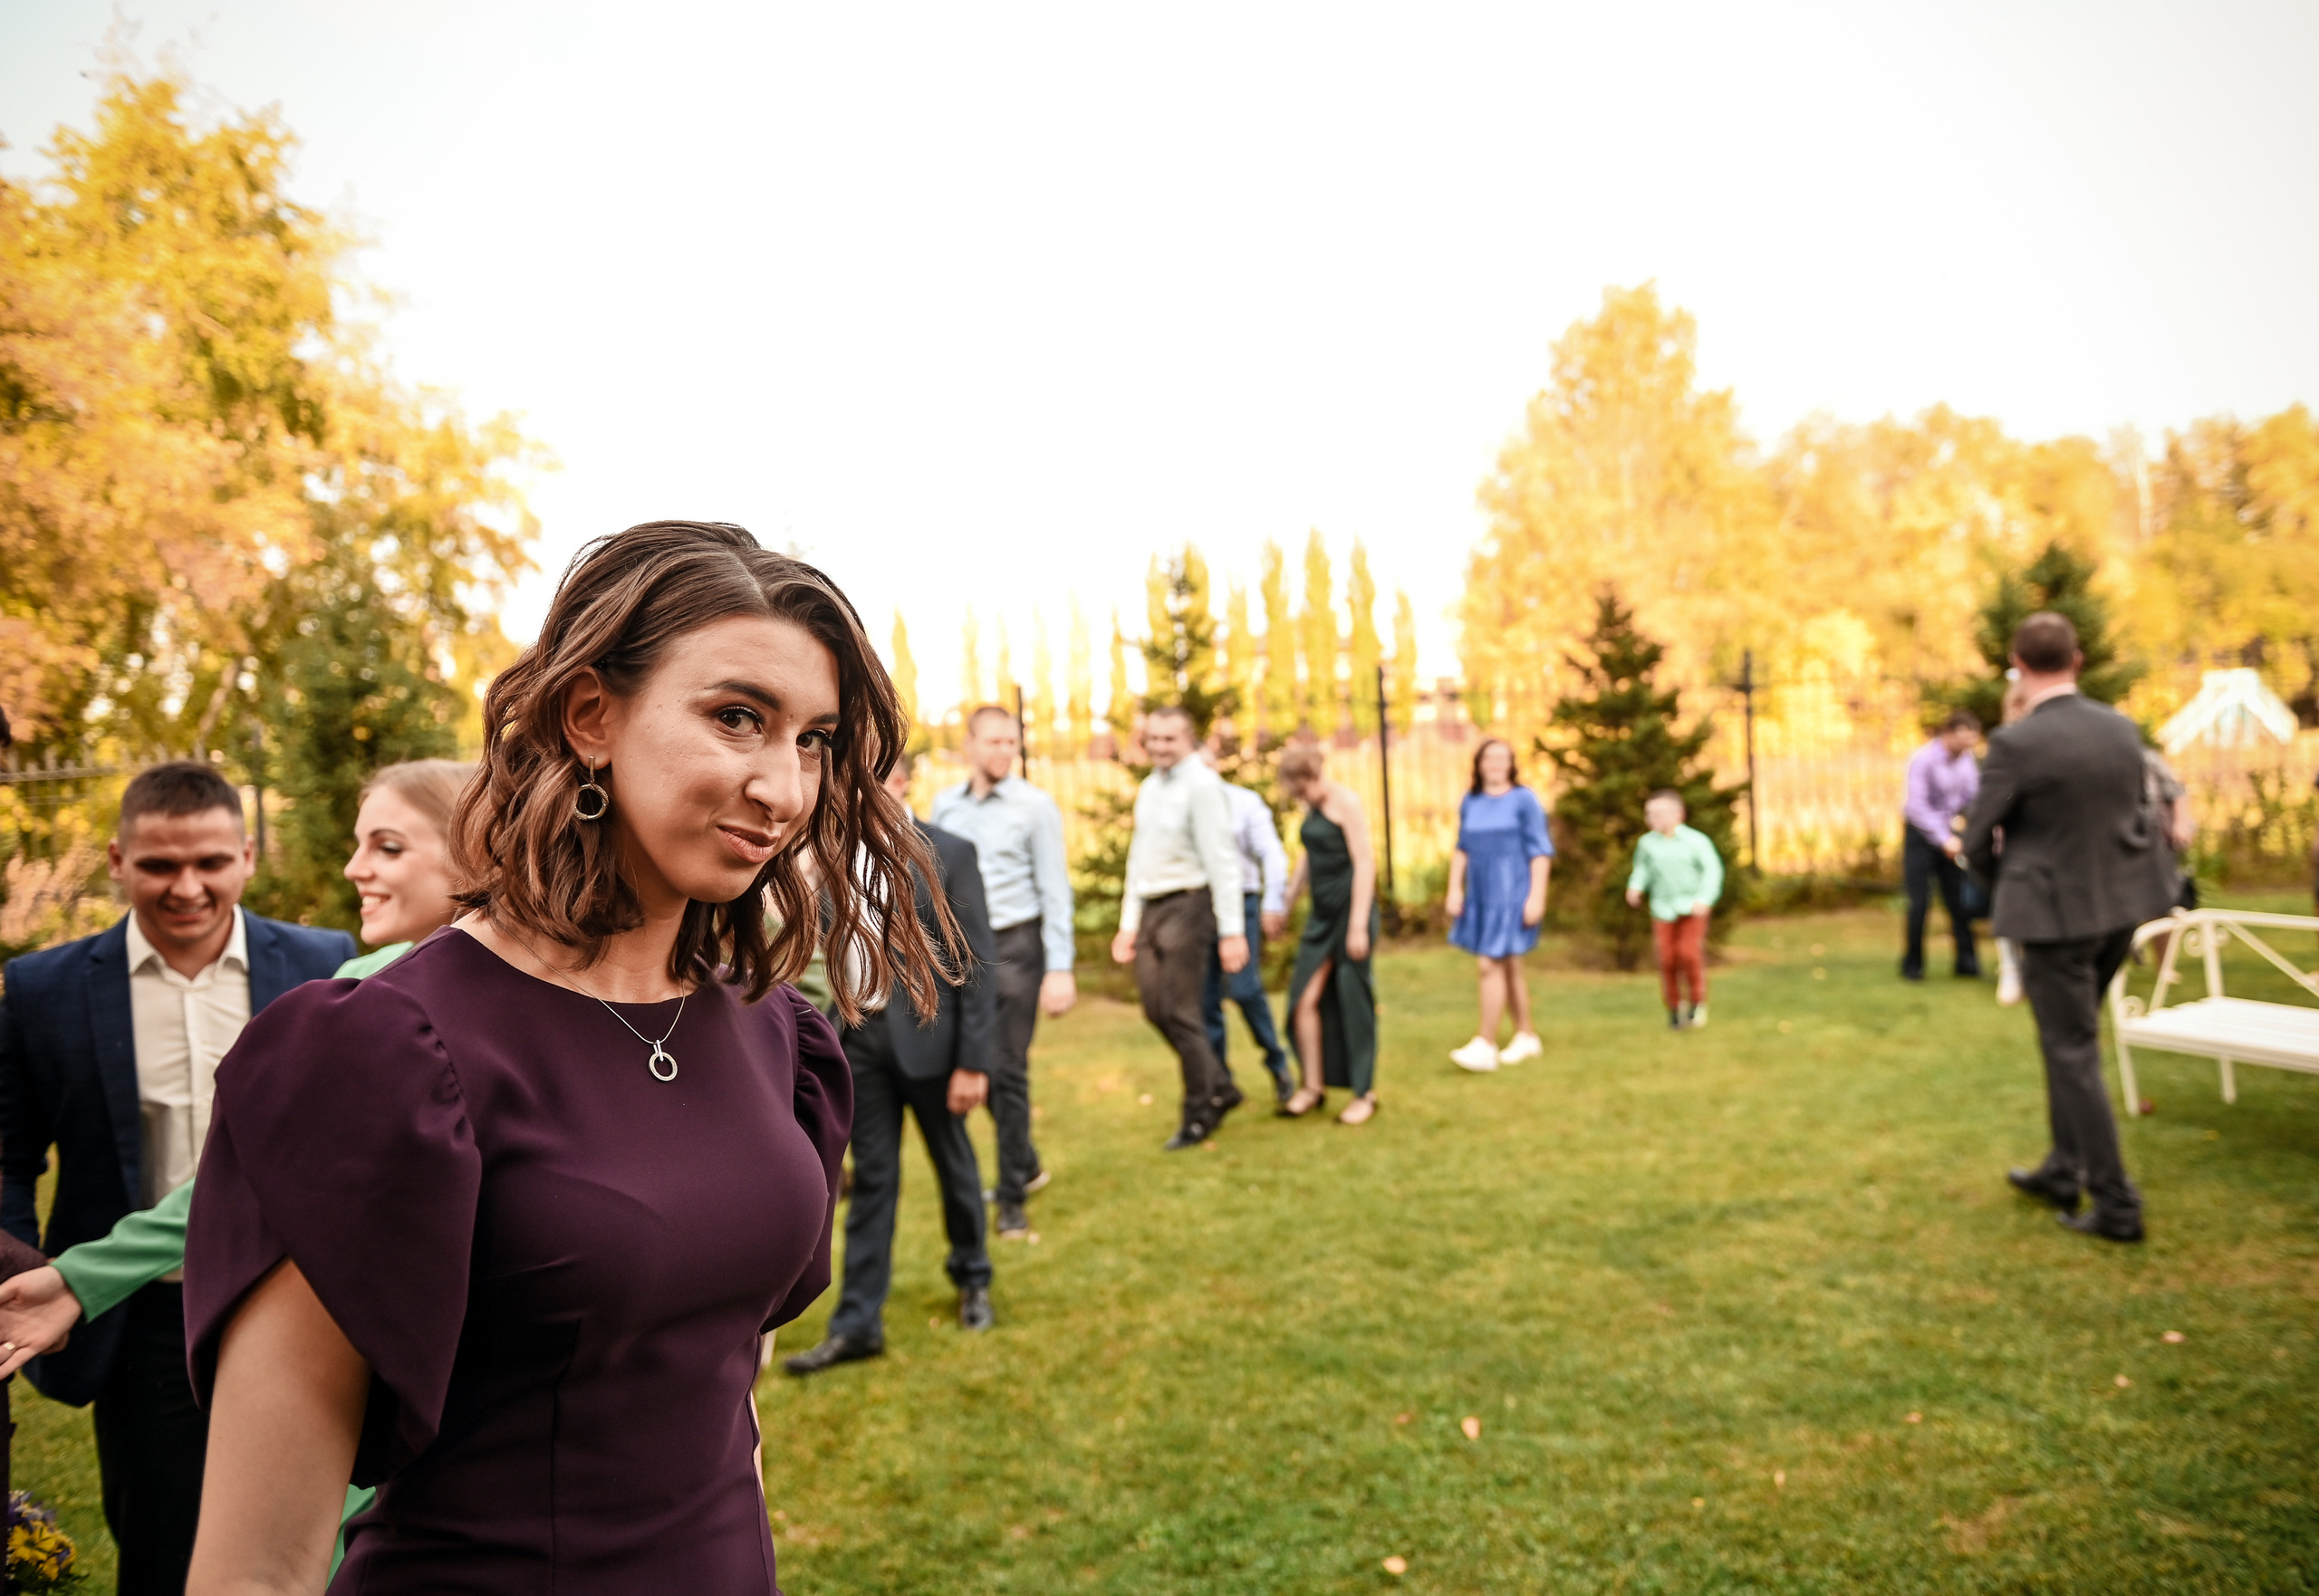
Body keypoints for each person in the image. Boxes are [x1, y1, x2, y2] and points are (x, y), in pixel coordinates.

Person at [178, 521, 949, 1594]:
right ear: (592, 715)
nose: (784, 787)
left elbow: (721, 1398)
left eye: (812, 740)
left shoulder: (778, 1039)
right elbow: (256, 1569)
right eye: (738, 718)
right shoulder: (382, 1055)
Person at [0, 759, 475, 1575]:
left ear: (478, 852)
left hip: (362, 1335)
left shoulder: (364, 989)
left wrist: (80, 1280)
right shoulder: (572, 984)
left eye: (387, 847)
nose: (355, 867)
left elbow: (247, 1181)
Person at [1963, 611, 2178, 1245]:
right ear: (2077, 660)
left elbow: (1977, 839)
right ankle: (2063, 1169)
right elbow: (2140, 810)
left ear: (2018, 666)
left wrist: (2006, 878)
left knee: (2071, 1049)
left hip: (2056, 920)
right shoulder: (2119, 727)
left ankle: (2116, 1204)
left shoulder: (2016, 742)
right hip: (2120, 912)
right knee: (2072, 1042)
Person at [786, 752, 998, 1372]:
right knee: (872, 1179)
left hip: (933, 1044)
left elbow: (978, 965)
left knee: (953, 1164)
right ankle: (857, 1323)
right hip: (862, 1043)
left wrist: (972, 1064)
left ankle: (974, 1278)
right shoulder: (827, 855)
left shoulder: (949, 853)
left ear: (902, 782)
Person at [929, 706, 1073, 1240]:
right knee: (971, 1063)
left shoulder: (1035, 808)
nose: (1003, 752)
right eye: (992, 742)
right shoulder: (945, 807)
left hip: (1016, 946)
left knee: (1006, 1070)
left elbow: (1055, 890)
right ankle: (1028, 1164)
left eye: (1011, 743)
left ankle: (1012, 1197)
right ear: (969, 745)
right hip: (960, 950)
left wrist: (1059, 968)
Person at [1110, 706, 1247, 1149]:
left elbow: (1223, 862)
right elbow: (1138, 857)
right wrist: (1128, 924)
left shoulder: (1203, 786)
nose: (1160, 746)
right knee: (1155, 1008)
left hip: (1191, 904)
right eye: (1153, 738)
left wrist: (1232, 931)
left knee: (1183, 1013)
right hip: (1151, 907)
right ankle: (1222, 1085)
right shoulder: (1149, 787)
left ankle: (1198, 1114)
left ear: (1188, 739)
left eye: (1170, 739)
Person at [1275, 745, 1381, 1125]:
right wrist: (1289, 899)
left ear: (1311, 777)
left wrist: (1357, 925)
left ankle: (1363, 1094)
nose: (1298, 796)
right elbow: (1309, 854)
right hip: (1320, 917)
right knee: (1303, 1000)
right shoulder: (1312, 806)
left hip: (1350, 913)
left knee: (1354, 1001)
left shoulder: (1346, 802)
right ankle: (1312, 1087)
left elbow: (1365, 862)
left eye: (1299, 789)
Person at [1445, 737, 1553, 1072]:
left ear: (1511, 764)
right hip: (1480, 894)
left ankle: (1485, 1044)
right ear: (1478, 763)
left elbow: (1540, 851)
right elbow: (1462, 847)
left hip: (1511, 895)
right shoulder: (1471, 801)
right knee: (1508, 965)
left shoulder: (1524, 800)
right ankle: (1526, 1036)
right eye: (1488, 758)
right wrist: (1454, 889)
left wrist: (1537, 896)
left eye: (1502, 758)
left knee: (1488, 965)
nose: (1495, 764)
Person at [1203, 774, 1294, 1101]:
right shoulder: (1186, 804)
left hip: (1242, 901)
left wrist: (1272, 903)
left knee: (1243, 989)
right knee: (1205, 997)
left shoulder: (1243, 802)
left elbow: (1272, 853)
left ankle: (1277, 1062)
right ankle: (1220, 1082)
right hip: (1199, 905)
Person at [1626, 791, 1723, 1029]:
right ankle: (1674, 1007)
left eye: (1658, 813)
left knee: (1688, 954)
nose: (1652, 818)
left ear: (1678, 814)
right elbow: (1642, 869)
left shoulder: (1696, 841)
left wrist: (1704, 899)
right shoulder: (1647, 843)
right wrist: (1635, 887)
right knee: (1667, 959)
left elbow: (1712, 871)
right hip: (1662, 908)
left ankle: (1697, 1003)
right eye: (1649, 813)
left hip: (1692, 908)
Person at [1900, 710, 1984, 981]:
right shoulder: (1923, 759)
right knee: (1919, 902)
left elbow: (1972, 796)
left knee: (1959, 901)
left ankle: (1967, 964)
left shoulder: (1967, 760)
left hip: (1952, 835)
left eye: (1971, 742)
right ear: (1947, 734)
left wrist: (1964, 832)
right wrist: (1943, 838)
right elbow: (1916, 806)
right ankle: (1913, 965)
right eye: (1962, 741)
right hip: (1921, 836)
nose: (1966, 747)